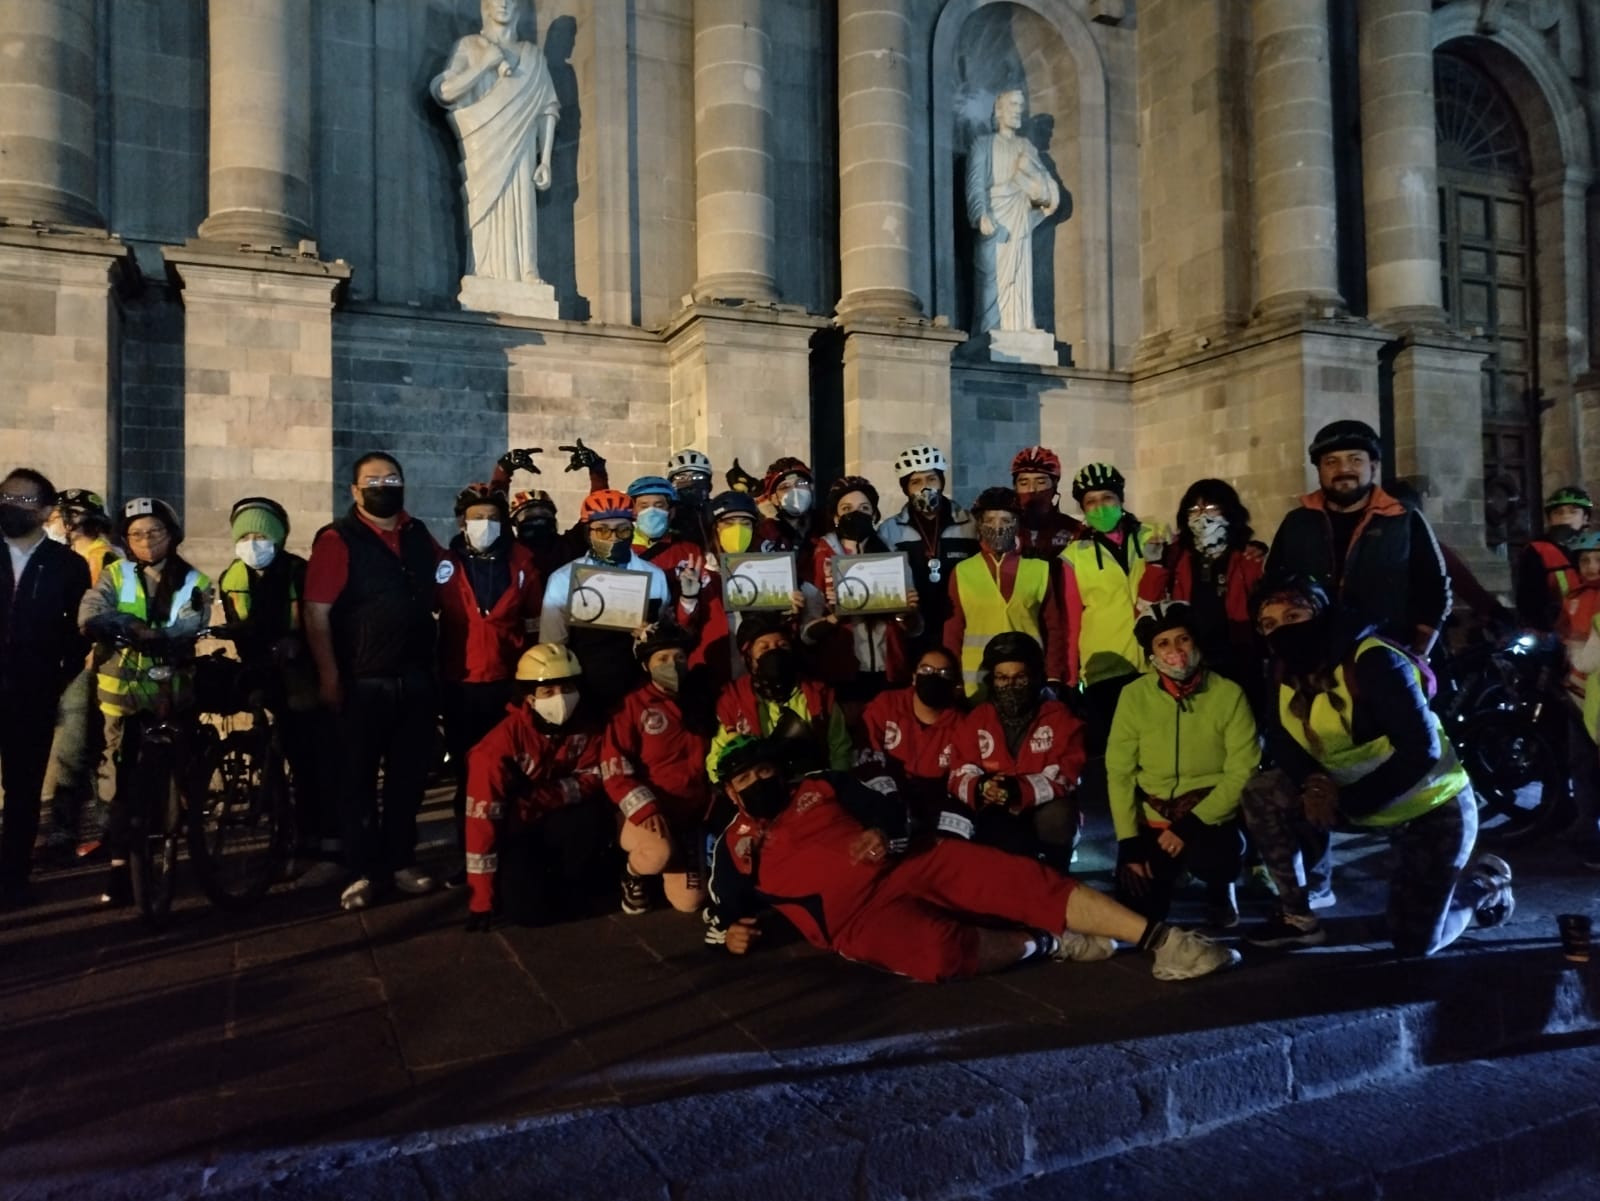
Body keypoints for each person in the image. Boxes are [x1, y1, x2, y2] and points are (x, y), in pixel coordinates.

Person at [704, 735, 1238, 982]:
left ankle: (1165, 941)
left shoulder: (819, 785)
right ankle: (1048, 942)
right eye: (743, 780)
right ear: (731, 793)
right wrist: (735, 935)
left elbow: (884, 794)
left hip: (910, 861)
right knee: (936, 956)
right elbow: (728, 912)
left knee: (1016, 878)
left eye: (763, 771)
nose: (757, 784)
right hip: (857, 921)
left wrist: (881, 829)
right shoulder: (734, 848)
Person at [1240, 575, 1514, 955]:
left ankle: (1484, 884)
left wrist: (1343, 799)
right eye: (1269, 624)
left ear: (1320, 613)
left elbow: (1421, 749)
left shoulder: (1373, 660)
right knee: (1261, 792)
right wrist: (1314, 784)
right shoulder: (1281, 670)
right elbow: (1282, 737)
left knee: (1414, 942)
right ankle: (1297, 917)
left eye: (1294, 615)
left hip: (1428, 807)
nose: (1282, 631)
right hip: (1354, 801)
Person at [304, 452, 443, 911]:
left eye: (392, 477)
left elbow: (448, 578)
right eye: (374, 479)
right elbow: (317, 612)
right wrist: (329, 675)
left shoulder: (417, 533)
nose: (384, 485)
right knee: (357, 782)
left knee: (408, 779)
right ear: (354, 491)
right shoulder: (338, 539)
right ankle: (364, 869)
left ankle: (401, 860)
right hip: (362, 681)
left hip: (417, 679)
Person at [79, 497, 212, 907]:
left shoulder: (195, 580)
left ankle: (182, 833)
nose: (146, 541)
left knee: (183, 770)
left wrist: (166, 635)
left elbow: (194, 619)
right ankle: (120, 865)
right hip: (123, 699)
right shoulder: (114, 574)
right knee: (118, 783)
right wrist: (126, 624)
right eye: (136, 534)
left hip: (172, 692)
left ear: (172, 535)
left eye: (155, 532)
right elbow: (91, 612)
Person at [1107, 603, 1256, 928]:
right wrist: (1128, 844)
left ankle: (1221, 887)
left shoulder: (1228, 694)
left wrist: (1189, 826)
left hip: (1208, 816)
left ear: (1196, 642)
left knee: (1220, 856)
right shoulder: (1134, 696)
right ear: (1151, 653)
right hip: (1155, 817)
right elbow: (1119, 773)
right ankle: (1173, 872)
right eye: (1163, 643)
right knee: (1138, 912)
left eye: (1183, 639)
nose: (1175, 650)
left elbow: (1242, 770)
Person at [217, 497, 333, 876]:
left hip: (301, 674)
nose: (254, 543)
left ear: (279, 538)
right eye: (246, 536)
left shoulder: (299, 571)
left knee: (307, 757)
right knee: (268, 744)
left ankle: (312, 835)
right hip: (260, 668)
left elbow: (315, 619)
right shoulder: (231, 578)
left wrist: (295, 641)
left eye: (262, 536)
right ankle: (282, 824)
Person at [1266, 420, 1449, 656]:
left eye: (1355, 459)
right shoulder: (1297, 522)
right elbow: (1274, 585)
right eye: (1331, 462)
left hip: (1386, 655)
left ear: (1372, 467)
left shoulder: (1404, 520)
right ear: (1319, 469)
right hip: (1312, 658)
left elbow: (1433, 589)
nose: (1344, 469)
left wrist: (1418, 651)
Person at [436, 482, 542, 887]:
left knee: (515, 772)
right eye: (477, 517)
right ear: (462, 522)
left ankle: (514, 854)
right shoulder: (445, 564)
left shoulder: (522, 562)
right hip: (460, 684)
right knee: (468, 777)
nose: (485, 524)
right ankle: (469, 857)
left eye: (493, 518)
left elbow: (535, 621)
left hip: (509, 685)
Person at [463, 643, 605, 929]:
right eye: (548, 692)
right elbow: (481, 824)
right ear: (529, 698)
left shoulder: (585, 728)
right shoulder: (495, 749)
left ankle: (572, 885)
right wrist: (481, 900)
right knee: (527, 913)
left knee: (592, 817)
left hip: (557, 818)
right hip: (515, 831)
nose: (560, 698)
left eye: (566, 688)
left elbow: (594, 775)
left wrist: (545, 797)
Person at [0, 470, 90, 907]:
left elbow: (78, 633)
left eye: (23, 499)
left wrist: (56, 677)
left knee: (23, 788)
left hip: (31, 689)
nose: (13, 505)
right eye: (7, 496)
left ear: (46, 511)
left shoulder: (66, 565)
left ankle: (13, 876)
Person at [430, 0, 561, 287]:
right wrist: (485, 64)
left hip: (522, 146)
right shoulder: (471, 46)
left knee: (521, 204)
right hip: (482, 142)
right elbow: (444, 90)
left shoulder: (533, 57)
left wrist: (546, 159)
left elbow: (547, 108)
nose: (503, 3)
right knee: (485, 203)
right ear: (485, 5)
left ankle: (527, 271)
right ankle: (483, 270)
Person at [943, 631, 1085, 870]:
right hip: (995, 812)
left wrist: (1018, 790)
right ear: (992, 681)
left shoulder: (1059, 717)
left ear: (1035, 677)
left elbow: (1067, 773)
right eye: (1002, 678)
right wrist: (982, 787)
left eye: (1020, 677)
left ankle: (1056, 881)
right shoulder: (978, 719)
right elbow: (958, 771)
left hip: (1044, 811)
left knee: (1058, 816)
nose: (1010, 685)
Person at [602, 622, 715, 916]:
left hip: (693, 815)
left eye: (679, 658)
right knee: (656, 855)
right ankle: (633, 874)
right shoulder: (632, 707)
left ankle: (680, 850)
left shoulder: (701, 700)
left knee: (690, 902)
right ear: (645, 664)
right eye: (662, 659)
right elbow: (614, 769)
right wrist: (644, 808)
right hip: (650, 813)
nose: (672, 665)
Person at [539, 489, 672, 711]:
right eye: (602, 530)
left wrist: (652, 634)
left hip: (639, 687)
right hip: (585, 687)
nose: (613, 537)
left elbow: (664, 636)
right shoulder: (563, 579)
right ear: (587, 533)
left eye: (622, 530)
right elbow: (553, 645)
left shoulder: (655, 575)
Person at [41, 488, 121, 858]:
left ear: (74, 520)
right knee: (84, 750)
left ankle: (68, 832)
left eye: (57, 517)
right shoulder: (78, 556)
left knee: (77, 750)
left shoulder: (100, 557)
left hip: (91, 665)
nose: (51, 524)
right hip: (81, 663)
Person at [1060, 462, 1159, 743]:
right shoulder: (1073, 555)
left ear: (1121, 499)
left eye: (1107, 498)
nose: (1100, 507)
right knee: (1114, 752)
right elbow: (1071, 620)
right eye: (1090, 502)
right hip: (1105, 669)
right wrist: (1070, 678)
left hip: (1156, 663)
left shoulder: (1154, 537)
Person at [803, 476, 922, 704]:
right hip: (842, 672)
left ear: (875, 515)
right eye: (846, 508)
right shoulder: (819, 558)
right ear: (836, 517)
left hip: (890, 672)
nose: (856, 514)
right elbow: (806, 634)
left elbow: (914, 628)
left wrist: (907, 613)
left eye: (864, 508)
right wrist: (833, 618)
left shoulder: (893, 556)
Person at [1138, 479, 1264, 689]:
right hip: (1188, 662)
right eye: (1194, 510)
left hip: (1240, 660)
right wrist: (1156, 567)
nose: (1202, 517)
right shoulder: (1175, 557)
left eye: (1212, 509)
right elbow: (1146, 611)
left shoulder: (1247, 557)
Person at [944, 486, 1064, 697]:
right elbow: (953, 630)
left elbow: (1054, 628)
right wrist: (953, 681)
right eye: (989, 521)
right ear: (979, 525)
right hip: (977, 684)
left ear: (1017, 524)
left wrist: (1053, 677)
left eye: (1006, 521)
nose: (997, 527)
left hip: (1026, 679)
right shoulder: (962, 572)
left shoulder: (1039, 570)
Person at [706, 612, 852, 778]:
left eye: (782, 646)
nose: (774, 653)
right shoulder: (733, 701)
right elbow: (717, 758)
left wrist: (835, 785)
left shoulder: (818, 696)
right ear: (747, 657)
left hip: (810, 786)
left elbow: (840, 750)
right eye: (764, 648)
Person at [965, 88, 1062, 334]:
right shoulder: (983, 144)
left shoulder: (1026, 146)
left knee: (1021, 274)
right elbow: (975, 185)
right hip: (996, 218)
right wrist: (980, 214)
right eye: (1013, 105)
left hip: (1019, 215)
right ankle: (989, 329)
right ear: (999, 110)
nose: (1018, 110)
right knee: (992, 278)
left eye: (1021, 106)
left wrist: (1046, 193)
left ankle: (1022, 324)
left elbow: (1044, 182)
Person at [877, 445, 979, 652]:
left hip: (963, 624)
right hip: (914, 629)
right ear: (905, 488)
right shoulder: (890, 530)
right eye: (916, 482)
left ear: (941, 482)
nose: (925, 487)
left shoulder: (969, 524)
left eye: (931, 479)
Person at [859, 646, 968, 831]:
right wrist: (893, 799)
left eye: (943, 673)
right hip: (886, 793)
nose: (933, 677)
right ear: (914, 677)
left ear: (955, 684)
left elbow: (961, 777)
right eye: (926, 670)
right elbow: (866, 755)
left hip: (934, 800)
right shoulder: (887, 705)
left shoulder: (962, 724)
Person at [1556, 529, 1600, 868]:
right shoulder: (1574, 596)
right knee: (1580, 765)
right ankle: (1586, 830)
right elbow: (1566, 635)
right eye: (1584, 560)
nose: (1591, 566)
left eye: (1598, 560)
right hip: (1576, 694)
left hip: (1596, 696)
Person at [1516, 485, 1590, 633]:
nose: (1565, 517)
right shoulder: (1537, 550)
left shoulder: (1593, 549)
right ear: (1550, 519)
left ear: (1585, 518)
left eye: (1573, 512)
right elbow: (1528, 596)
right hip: (1554, 632)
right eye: (1558, 512)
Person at [1011, 446, 1082, 557]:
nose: (1031, 489)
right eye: (1024, 483)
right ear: (1015, 487)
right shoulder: (1005, 528)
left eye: (1040, 482)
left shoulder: (1074, 530)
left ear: (1054, 485)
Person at [756, 457, 817, 555]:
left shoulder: (826, 527)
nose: (795, 491)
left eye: (801, 483)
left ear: (811, 488)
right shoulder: (767, 534)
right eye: (785, 487)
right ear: (774, 499)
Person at [666, 447, 715, 547]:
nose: (689, 481)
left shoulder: (715, 510)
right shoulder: (666, 513)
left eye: (697, 476)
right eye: (681, 477)